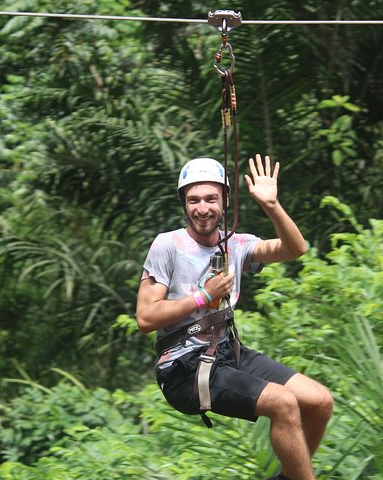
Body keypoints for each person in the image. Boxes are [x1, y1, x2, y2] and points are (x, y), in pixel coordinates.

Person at [136, 154, 333, 480]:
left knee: (319, 401)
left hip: (228, 352)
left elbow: (295, 248)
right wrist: (203, 296)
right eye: (193, 200)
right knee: (282, 403)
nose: (202, 208)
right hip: (185, 367)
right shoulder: (167, 245)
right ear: (184, 204)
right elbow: (145, 318)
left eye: (211, 199)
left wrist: (271, 204)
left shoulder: (237, 244)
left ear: (226, 200)